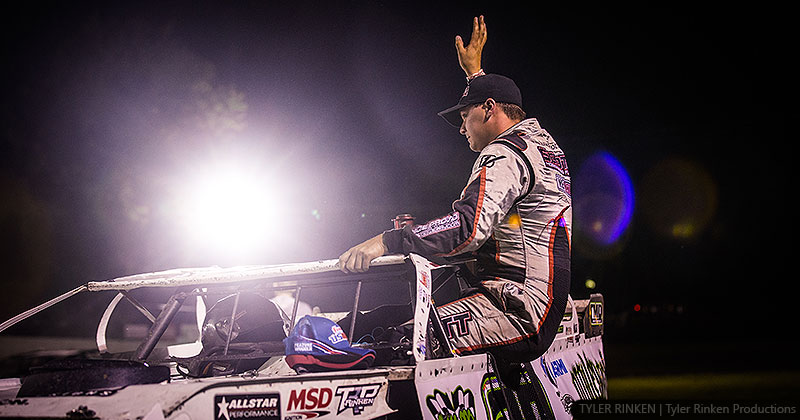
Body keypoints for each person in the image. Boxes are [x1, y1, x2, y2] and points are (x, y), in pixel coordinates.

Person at [338, 15, 571, 370]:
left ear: (489, 109)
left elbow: (467, 228)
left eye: (465, 116)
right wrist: (476, 77)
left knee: (398, 340)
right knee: (383, 318)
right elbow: (500, 103)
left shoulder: (504, 153)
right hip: (527, 299)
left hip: (517, 307)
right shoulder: (540, 143)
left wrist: (387, 241)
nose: (462, 128)